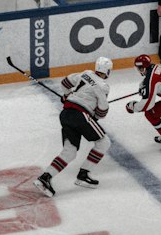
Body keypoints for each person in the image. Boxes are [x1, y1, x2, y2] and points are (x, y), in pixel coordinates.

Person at [33, 57, 113, 197]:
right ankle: (83, 175)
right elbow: (102, 110)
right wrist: (94, 116)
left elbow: (65, 83)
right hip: (80, 115)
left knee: (70, 151)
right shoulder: (104, 86)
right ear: (107, 71)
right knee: (103, 142)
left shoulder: (86, 73)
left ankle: (45, 178)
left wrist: (67, 95)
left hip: (66, 114)